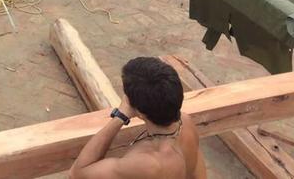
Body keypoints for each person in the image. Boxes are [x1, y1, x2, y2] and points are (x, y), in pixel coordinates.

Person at [69, 57, 206, 179]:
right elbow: (197, 172)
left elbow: (77, 173)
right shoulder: (187, 123)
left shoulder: (148, 164)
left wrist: (120, 116)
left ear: (140, 113)